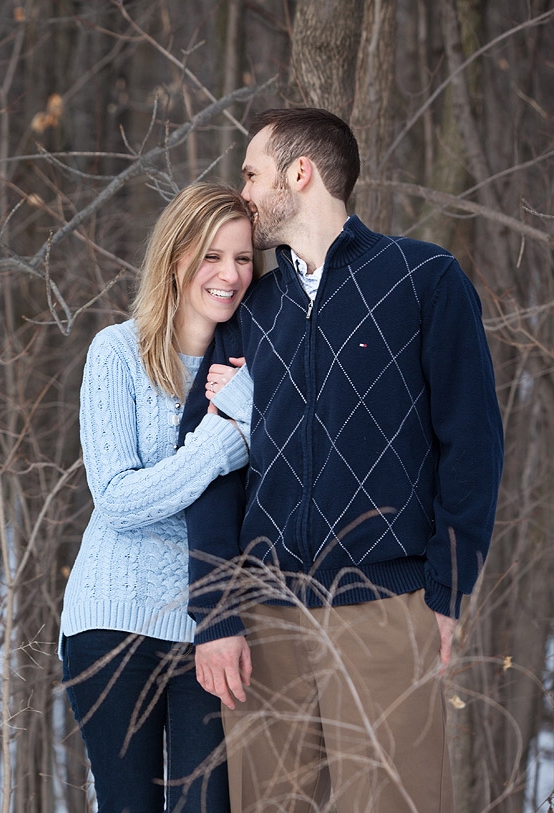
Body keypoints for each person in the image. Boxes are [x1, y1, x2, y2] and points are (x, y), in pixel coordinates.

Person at [181, 108, 505, 812]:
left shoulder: (423, 280)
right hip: (262, 620)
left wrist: (447, 589)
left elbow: (472, 442)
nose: (243, 194)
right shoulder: (249, 306)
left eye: (252, 174)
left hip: (385, 608)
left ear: (300, 174)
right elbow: (208, 469)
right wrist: (215, 614)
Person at [60, 182, 258, 813]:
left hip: (212, 628)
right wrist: (223, 442)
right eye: (212, 257)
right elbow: (117, 498)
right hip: (113, 621)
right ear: (175, 260)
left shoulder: (259, 372)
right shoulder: (116, 353)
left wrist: (254, 408)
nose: (230, 275)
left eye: (244, 259)